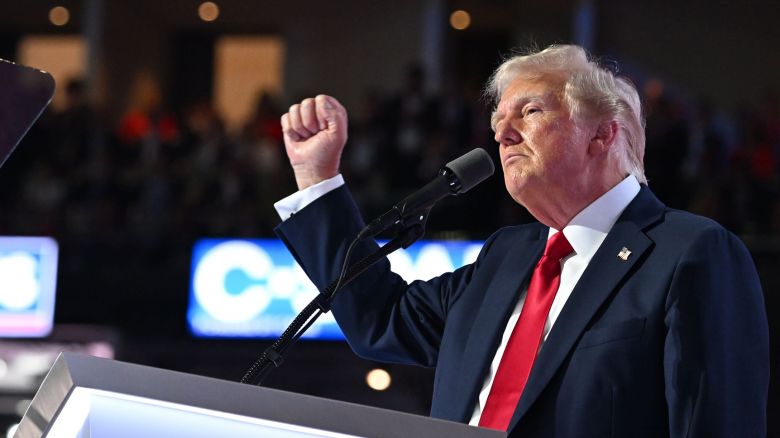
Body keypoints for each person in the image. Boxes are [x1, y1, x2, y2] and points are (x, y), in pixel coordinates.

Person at [273, 45, 769, 437]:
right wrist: (317, 178)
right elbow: (378, 319)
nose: (502, 135)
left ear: (601, 136)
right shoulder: (504, 257)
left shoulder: (690, 252)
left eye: (529, 112)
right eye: (496, 123)